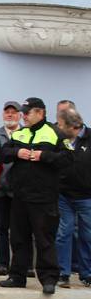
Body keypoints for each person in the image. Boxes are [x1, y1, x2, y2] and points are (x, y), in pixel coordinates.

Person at [0, 97, 71, 294]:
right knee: (19, 238)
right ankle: (17, 276)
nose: (23, 116)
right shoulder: (20, 133)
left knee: (44, 239)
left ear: (40, 113)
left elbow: (68, 159)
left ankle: (48, 279)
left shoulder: (56, 133)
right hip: (20, 195)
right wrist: (17, 152)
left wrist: (43, 156)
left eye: (27, 112)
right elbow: (3, 153)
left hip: (44, 197)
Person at [55, 108, 91, 288]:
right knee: (64, 233)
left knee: (87, 235)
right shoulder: (62, 139)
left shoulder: (89, 138)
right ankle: (63, 273)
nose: (58, 127)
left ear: (72, 126)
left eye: (61, 124)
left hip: (86, 196)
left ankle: (87, 273)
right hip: (64, 195)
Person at [0, 101, 23, 276]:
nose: (10, 115)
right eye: (7, 112)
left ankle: (24, 264)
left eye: (13, 112)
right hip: (1, 189)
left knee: (21, 229)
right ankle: (2, 264)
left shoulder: (26, 134)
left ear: (20, 115)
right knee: (1, 228)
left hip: (20, 190)